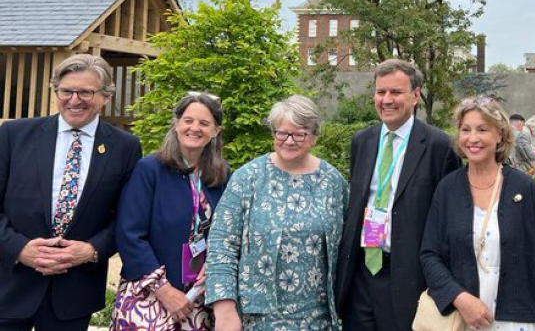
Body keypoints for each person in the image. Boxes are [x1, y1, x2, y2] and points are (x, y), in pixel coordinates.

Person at [0, 54, 142, 331]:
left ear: (105, 96)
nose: (74, 100)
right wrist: (19, 249)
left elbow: (127, 218)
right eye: (66, 91)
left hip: (73, 293)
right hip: (9, 286)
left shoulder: (125, 147)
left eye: (86, 92)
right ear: (56, 92)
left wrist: (91, 250)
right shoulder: (14, 135)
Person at [336, 59, 461, 331]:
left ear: (415, 95)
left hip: (407, 275)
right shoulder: (362, 141)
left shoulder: (439, 146)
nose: (386, 100)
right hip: (361, 272)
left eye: (396, 92)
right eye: (381, 92)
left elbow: (448, 219)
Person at [206, 95, 348, 331]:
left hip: (320, 320)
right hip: (259, 318)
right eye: (282, 133)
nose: (289, 141)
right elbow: (222, 244)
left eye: (299, 134)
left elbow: (347, 246)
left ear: (314, 136)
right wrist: (225, 309)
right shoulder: (248, 178)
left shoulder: (332, 181)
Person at [421, 97, 535, 331]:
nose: (473, 138)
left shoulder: (524, 189)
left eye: (482, 129)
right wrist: (459, 297)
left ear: (500, 135)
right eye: (466, 130)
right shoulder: (447, 189)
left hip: (517, 319)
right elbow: (429, 255)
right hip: (462, 318)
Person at [112, 92, 229, 330]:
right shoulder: (150, 169)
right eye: (188, 120)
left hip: (200, 299)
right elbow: (130, 235)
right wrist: (163, 290)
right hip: (150, 297)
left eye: (204, 123)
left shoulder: (222, 176)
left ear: (216, 131)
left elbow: (230, 234)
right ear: (176, 124)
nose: (194, 128)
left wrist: (217, 265)